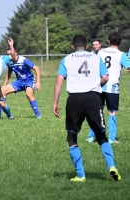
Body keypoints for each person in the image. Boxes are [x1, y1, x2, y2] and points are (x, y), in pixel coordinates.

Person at [53, 34, 121, 182]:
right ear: (86, 46)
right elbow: (105, 77)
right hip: (93, 98)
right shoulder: (96, 58)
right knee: (101, 136)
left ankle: (81, 175)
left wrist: (55, 102)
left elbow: (59, 81)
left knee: (72, 137)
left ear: (72, 47)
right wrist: (97, 86)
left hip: (74, 100)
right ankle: (112, 166)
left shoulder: (67, 59)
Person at [86, 32, 130, 144]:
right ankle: (111, 138)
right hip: (112, 87)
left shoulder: (101, 52)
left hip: (99, 85)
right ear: (119, 42)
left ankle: (91, 137)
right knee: (112, 112)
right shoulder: (121, 54)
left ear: (109, 41)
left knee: (97, 111)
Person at [0, 47, 41, 119]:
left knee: (28, 94)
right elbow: (8, 73)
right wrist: (4, 85)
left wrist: (38, 82)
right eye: (8, 54)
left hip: (29, 81)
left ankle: (38, 115)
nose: (9, 56)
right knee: (2, 91)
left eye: (10, 54)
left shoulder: (23, 60)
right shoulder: (10, 62)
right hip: (19, 82)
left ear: (15, 53)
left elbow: (37, 68)